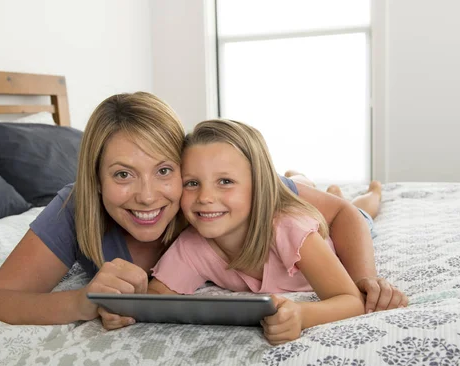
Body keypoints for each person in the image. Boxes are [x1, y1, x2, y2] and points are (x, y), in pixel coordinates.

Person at [0, 93, 404, 327]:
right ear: (96, 180)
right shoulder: (75, 207)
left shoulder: (223, 200)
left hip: (326, 218)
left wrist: (362, 280)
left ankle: (368, 190)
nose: (146, 196)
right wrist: (85, 303)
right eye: (122, 175)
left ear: (183, 165)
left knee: (357, 206)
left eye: (164, 170)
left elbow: (342, 218)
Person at [150, 120, 369, 344]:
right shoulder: (192, 245)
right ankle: (302, 179)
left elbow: (352, 301)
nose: (205, 197)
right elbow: (156, 297)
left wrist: (302, 315)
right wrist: (120, 310)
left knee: (363, 209)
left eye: (225, 181)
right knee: (299, 184)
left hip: (326, 228)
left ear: (259, 186)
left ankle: (371, 192)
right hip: (296, 206)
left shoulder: (292, 230)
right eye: (192, 183)